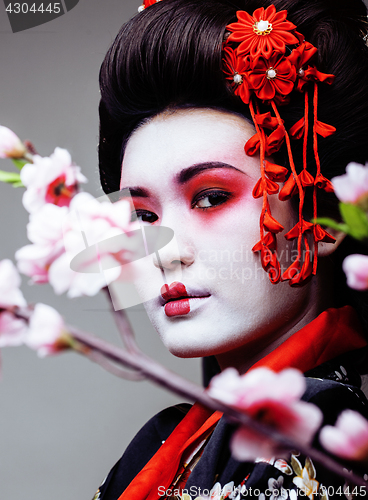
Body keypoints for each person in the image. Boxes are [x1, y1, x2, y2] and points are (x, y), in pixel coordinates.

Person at [95, 0, 368, 498]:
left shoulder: (320, 433)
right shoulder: (168, 442)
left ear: (321, 219)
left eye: (211, 197)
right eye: (144, 216)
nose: (162, 252)